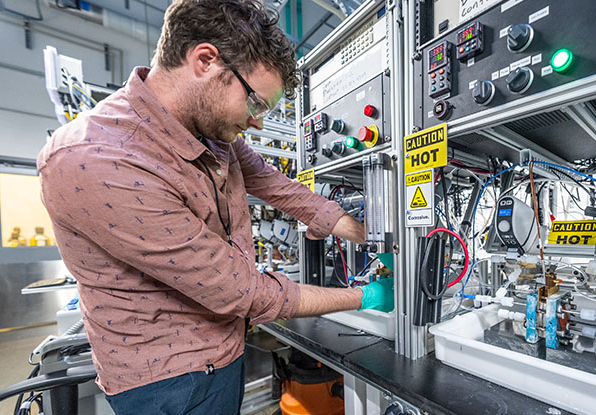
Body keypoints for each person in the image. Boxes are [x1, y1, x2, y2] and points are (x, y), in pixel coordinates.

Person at [36, 0, 393, 413]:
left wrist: (363, 233)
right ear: (205, 61)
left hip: (223, 351)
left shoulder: (210, 134)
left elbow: (276, 185)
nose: (258, 121)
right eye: (256, 103)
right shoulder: (97, 159)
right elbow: (245, 293)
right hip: (168, 382)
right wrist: (365, 296)